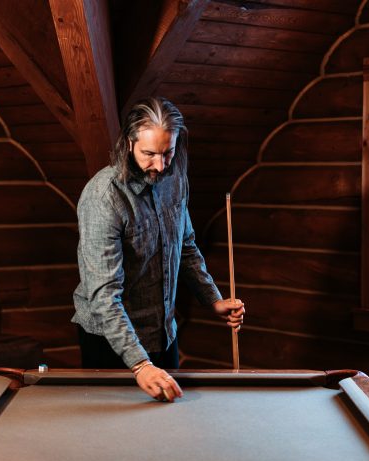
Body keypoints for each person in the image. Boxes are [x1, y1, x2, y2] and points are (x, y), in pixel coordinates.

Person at [72, 97, 245, 402]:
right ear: (129, 143)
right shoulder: (103, 198)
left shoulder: (174, 178)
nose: (160, 165)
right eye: (149, 154)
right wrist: (140, 364)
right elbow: (103, 295)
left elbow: (186, 244)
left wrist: (213, 299)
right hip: (110, 342)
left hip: (163, 332)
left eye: (168, 153)